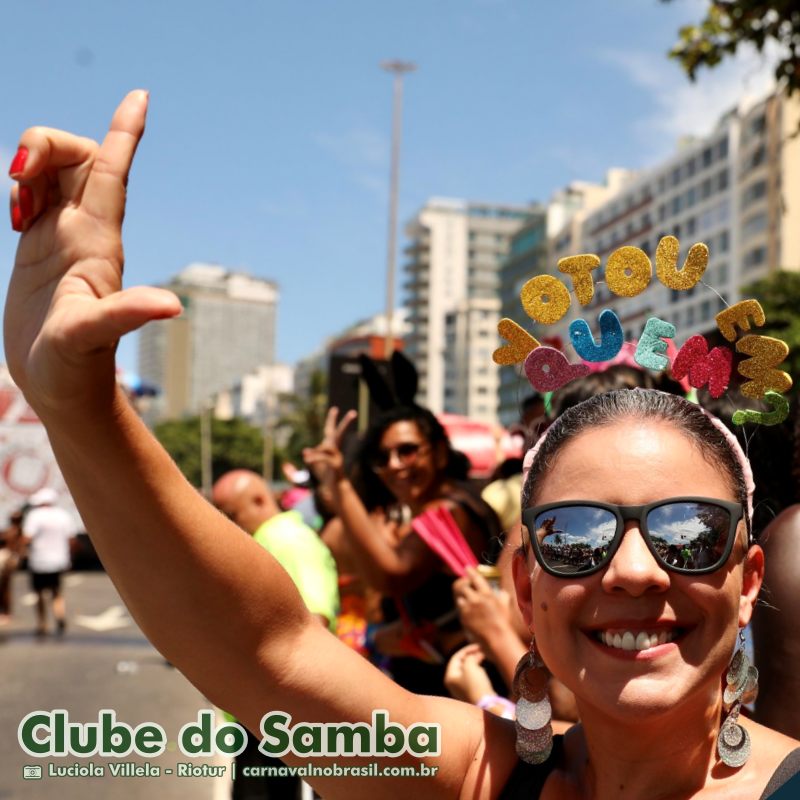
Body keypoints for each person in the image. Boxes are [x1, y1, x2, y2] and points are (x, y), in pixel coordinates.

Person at [6, 93, 800, 798]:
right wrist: (79, 406)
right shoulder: (474, 777)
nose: (633, 570)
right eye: (577, 538)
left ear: (746, 576)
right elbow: (267, 650)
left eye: (689, 533)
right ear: (525, 585)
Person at [303, 402, 501, 695]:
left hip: (462, 690)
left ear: (440, 453)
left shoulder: (448, 511)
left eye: (407, 450)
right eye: (383, 457)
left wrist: (340, 484)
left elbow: (391, 576)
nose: (394, 464)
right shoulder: (454, 504)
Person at [211, 469, 339, 800]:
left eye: (231, 514)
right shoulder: (268, 539)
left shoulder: (288, 540)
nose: (226, 523)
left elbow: (314, 620)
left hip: (277, 712)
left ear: (259, 499)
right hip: (264, 708)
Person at [21, 488, 78, 635]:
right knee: (57, 591)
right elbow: (71, 540)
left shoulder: (34, 516)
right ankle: (60, 616)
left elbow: (27, 537)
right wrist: (70, 559)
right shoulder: (63, 515)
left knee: (39, 593)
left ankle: (42, 623)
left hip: (39, 560)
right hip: (59, 560)